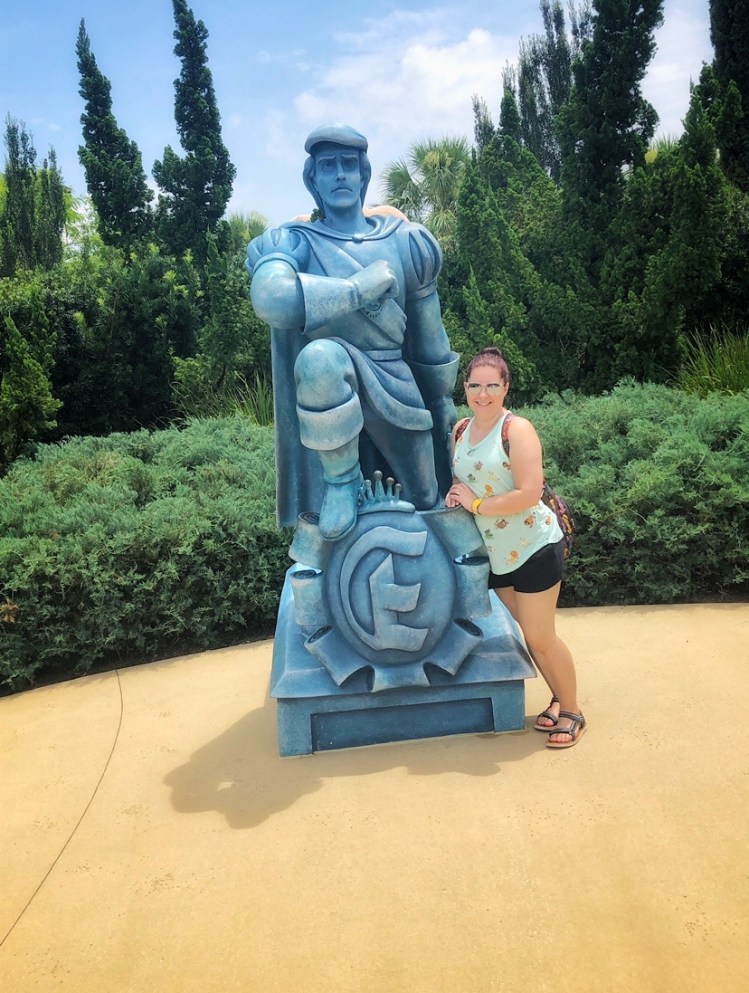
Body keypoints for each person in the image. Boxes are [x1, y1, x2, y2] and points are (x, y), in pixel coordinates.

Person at [247, 124, 458, 541]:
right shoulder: (294, 243)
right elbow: (272, 299)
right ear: (313, 179)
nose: (340, 174)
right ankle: (342, 482)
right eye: (328, 166)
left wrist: (442, 400)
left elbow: (428, 334)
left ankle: (438, 568)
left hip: (396, 381)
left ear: (364, 174)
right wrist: (357, 290)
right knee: (319, 358)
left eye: (348, 164)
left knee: (426, 499)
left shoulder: (406, 241)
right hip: (331, 377)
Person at [445, 347, 585, 748]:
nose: (482, 394)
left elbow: (528, 493)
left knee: (541, 636)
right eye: (475, 385)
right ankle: (558, 696)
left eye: (492, 386)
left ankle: (573, 711)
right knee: (530, 633)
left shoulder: (517, 429)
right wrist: (456, 496)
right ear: (465, 387)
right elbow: (464, 479)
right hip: (497, 556)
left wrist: (476, 505)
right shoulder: (460, 430)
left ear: (505, 388)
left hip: (534, 548)